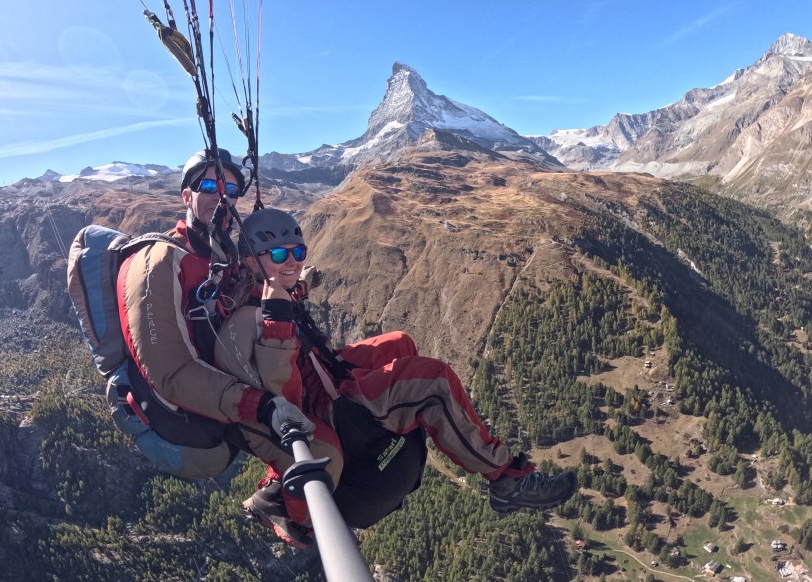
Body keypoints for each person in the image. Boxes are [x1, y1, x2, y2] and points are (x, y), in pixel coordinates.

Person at [213, 207, 579, 546]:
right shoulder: (254, 318)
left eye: (298, 251)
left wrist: (299, 286)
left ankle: (413, 421)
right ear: (251, 261)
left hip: (326, 370)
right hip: (328, 406)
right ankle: (505, 479)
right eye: (279, 254)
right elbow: (282, 393)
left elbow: (286, 292)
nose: (292, 261)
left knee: (399, 343)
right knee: (434, 381)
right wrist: (279, 320)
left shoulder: (267, 290)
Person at [114, 149, 315, 478]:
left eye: (230, 190)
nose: (222, 197)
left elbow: (248, 294)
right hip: (186, 431)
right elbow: (172, 373)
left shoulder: (217, 253)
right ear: (186, 196)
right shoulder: (159, 262)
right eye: (209, 187)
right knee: (324, 456)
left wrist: (297, 285)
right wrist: (259, 406)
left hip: (220, 399)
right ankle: (280, 498)